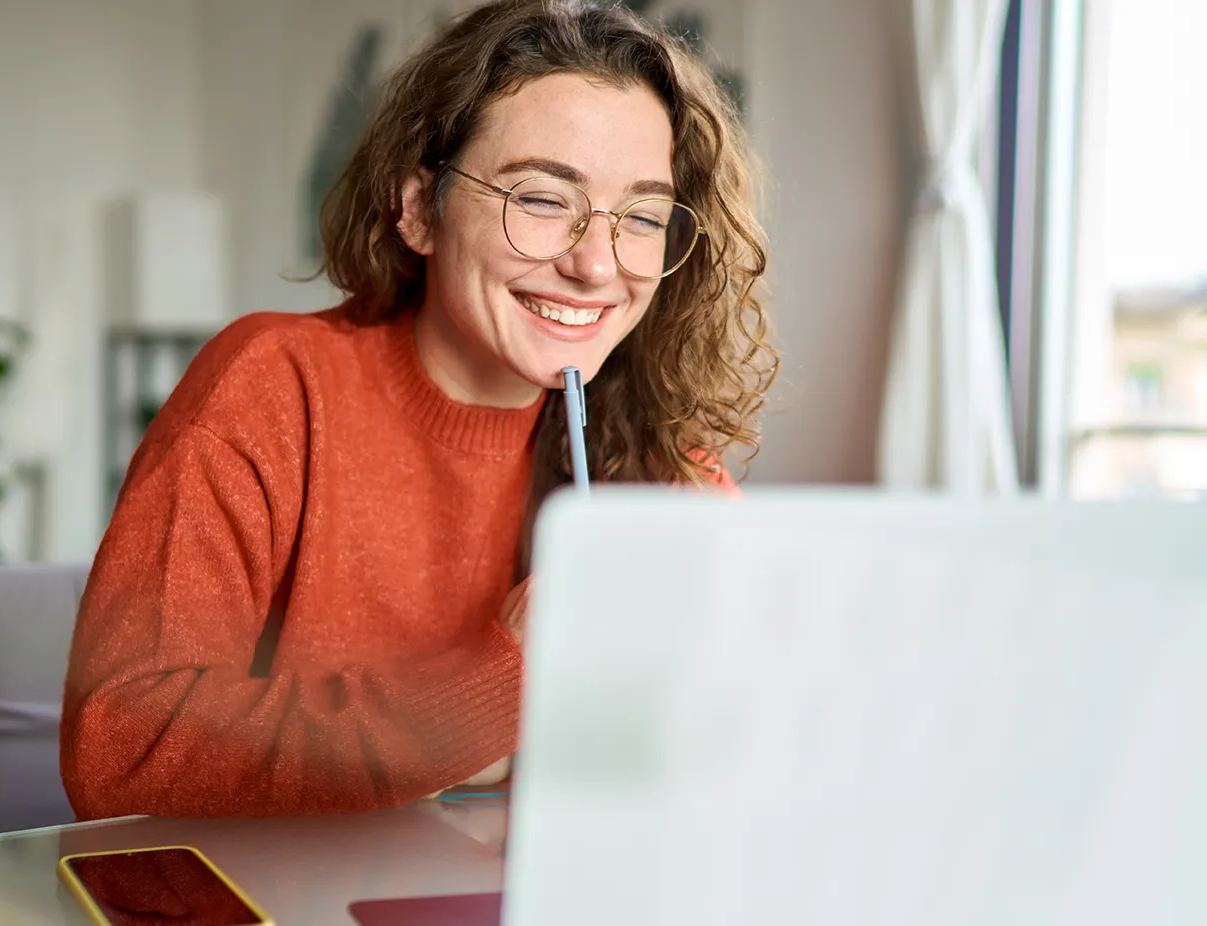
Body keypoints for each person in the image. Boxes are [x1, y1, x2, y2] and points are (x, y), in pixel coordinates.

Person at [60, 0, 775, 820]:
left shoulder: (654, 452)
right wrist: (500, 682)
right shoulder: (272, 386)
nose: (594, 264)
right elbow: (121, 748)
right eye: (542, 200)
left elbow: (753, 734)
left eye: (642, 218)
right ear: (418, 208)